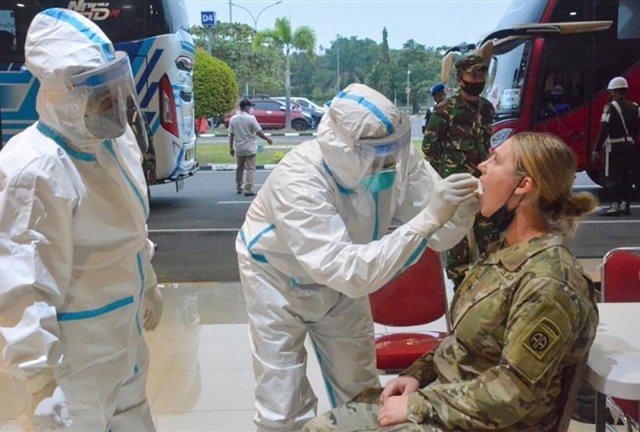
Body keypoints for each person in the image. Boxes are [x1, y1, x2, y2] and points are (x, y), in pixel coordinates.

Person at [304, 132, 599, 432]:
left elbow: (513, 393)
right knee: (334, 421)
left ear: (523, 186)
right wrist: (418, 374)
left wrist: (418, 405)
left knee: (322, 429)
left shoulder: (547, 283)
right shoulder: (505, 253)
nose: (482, 166)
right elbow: (464, 344)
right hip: (454, 401)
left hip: (486, 423)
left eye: (496, 161)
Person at [236, 83, 481, 431]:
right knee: (282, 398)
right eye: (379, 152)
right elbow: (348, 271)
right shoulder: (299, 179)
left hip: (346, 278)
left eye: (395, 148)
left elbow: (440, 236)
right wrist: (428, 219)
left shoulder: (401, 161)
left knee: (361, 390)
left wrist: (461, 211)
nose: (390, 162)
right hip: (277, 278)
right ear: (342, 148)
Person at [0, 8, 162, 431]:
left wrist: (148, 285)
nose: (115, 103)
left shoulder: (115, 145)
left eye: (115, 87)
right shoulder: (34, 168)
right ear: (63, 95)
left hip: (123, 339)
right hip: (73, 362)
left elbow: (131, 231)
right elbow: (23, 284)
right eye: (101, 94)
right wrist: (39, 380)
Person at [422, 55, 499, 289]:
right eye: (473, 75)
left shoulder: (486, 108)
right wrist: (447, 174)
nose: (478, 79)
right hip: (456, 183)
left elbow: (486, 141)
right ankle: (460, 283)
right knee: (458, 237)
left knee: (488, 230)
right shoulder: (445, 110)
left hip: (483, 182)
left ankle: (491, 278)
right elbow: (429, 148)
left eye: (481, 74)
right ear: (460, 80)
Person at [591, 76, 639, 216]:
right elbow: (636, 128)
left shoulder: (610, 107)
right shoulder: (635, 107)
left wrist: (596, 149)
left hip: (613, 146)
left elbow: (604, 129)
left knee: (611, 176)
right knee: (626, 175)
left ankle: (614, 206)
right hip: (629, 145)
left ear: (613, 92)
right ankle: (625, 205)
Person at [229, 98, 273, 197]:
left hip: (239, 147)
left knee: (239, 168)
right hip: (250, 147)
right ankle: (248, 189)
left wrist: (231, 147)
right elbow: (259, 132)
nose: (251, 109)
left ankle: (239, 187)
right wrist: (267, 139)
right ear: (246, 108)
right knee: (250, 168)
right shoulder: (251, 118)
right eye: (250, 107)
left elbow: (231, 134)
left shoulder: (233, 119)